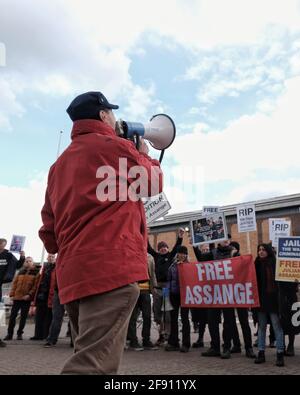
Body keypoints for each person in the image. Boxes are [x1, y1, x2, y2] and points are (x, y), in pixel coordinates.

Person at [39, 91, 163, 374]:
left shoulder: (57, 167)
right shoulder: (115, 147)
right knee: (91, 366)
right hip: (110, 271)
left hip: (73, 276)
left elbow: (49, 233)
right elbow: (153, 183)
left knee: (89, 353)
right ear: (103, 115)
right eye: (112, 113)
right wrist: (145, 156)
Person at [148, 228, 184, 345]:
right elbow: (148, 248)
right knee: (158, 313)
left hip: (166, 289)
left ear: (167, 248)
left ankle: (168, 334)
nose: (163, 249)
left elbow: (176, 248)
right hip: (157, 288)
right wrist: (146, 234)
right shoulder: (156, 257)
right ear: (159, 250)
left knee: (167, 312)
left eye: (165, 247)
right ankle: (161, 334)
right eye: (161, 248)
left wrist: (180, 237)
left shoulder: (171, 255)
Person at [254, 243, 285, 367]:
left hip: (273, 300)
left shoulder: (275, 263)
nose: (261, 252)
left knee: (277, 327)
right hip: (261, 300)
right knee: (261, 328)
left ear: (268, 251)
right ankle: (261, 353)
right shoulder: (256, 264)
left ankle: (280, 353)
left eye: (263, 250)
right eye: (259, 250)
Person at [228, 241, 255, 358]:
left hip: (240, 294)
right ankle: (236, 345)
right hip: (229, 294)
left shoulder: (240, 259)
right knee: (231, 322)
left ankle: (249, 347)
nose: (231, 249)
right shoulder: (225, 261)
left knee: (244, 322)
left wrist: (235, 255)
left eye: (233, 248)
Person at [127, 254, 158, 351]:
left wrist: (154, 287)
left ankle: (146, 340)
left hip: (146, 291)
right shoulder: (131, 254)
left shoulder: (150, 257)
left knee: (147, 316)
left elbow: (152, 273)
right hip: (134, 290)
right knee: (132, 317)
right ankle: (133, 341)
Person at [4, 257, 39, 340]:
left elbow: (35, 286)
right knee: (12, 317)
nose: (28, 262)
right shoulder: (20, 272)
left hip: (26, 299)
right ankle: (9, 334)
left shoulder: (36, 273)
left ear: (32, 263)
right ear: (24, 263)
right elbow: (14, 284)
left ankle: (20, 334)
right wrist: (12, 295)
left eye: (30, 261)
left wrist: (29, 295)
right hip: (16, 298)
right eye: (26, 261)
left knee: (23, 317)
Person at [165, 245, 191, 353]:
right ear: (177, 254)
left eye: (184, 253)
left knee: (185, 319)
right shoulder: (172, 266)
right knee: (173, 319)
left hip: (185, 295)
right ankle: (174, 341)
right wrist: (166, 294)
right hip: (173, 294)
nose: (182, 255)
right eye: (180, 253)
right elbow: (169, 280)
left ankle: (186, 343)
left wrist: (183, 268)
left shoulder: (189, 266)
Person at [0, 238, 25, 347]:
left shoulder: (8, 255)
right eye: (1, 244)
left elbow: (18, 265)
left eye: (3, 245)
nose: (2, 246)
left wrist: (22, 256)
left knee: (0, 312)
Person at [31, 254, 56, 341]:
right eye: (49, 257)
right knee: (39, 316)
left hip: (51, 294)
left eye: (52, 257)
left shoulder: (57, 268)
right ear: (47, 258)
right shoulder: (44, 268)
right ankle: (38, 335)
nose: (51, 258)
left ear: (55, 258)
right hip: (41, 294)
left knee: (48, 316)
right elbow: (38, 280)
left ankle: (46, 335)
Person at [44, 267, 66, 348]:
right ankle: (51, 339)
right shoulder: (56, 267)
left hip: (71, 290)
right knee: (56, 317)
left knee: (74, 316)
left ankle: (74, 340)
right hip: (58, 291)